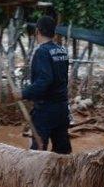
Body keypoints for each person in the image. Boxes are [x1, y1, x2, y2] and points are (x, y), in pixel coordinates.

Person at [18, 15, 72, 154]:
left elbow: (44, 81)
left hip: (46, 110)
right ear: (54, 32)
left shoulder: (42, 52)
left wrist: (23, 93)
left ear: (37, 31)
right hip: (62, 108)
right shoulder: (62, 51)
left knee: (38, 150)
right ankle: (63, 175)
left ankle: (35, 175)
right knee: (62, 150)